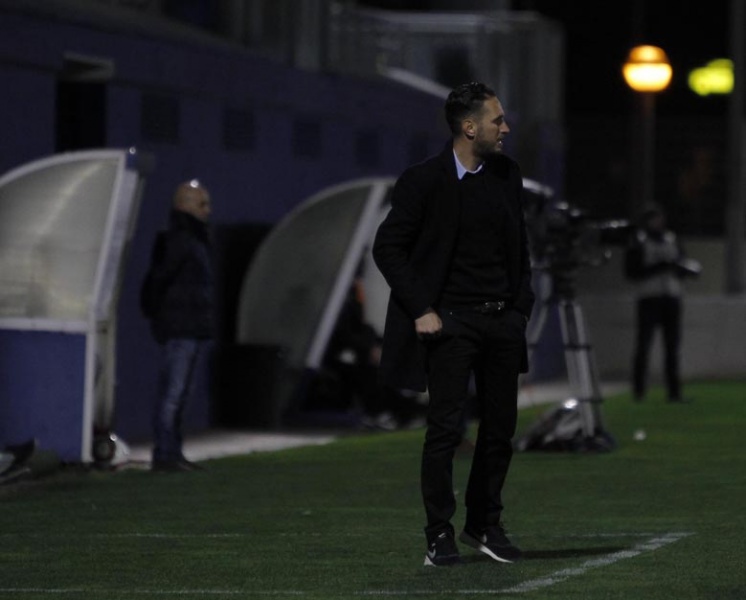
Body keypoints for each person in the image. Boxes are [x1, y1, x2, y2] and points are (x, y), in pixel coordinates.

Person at [372, 82, 534, 567]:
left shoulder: (507, 174)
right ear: (469, 127)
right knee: (444, 431)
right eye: (496, 120)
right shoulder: (423, 180)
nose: (505, 128)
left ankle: (484, 525)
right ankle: (438, 533)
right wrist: (423, 308)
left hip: (502, 322)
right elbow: (388, 248)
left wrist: (520, 309)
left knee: (499, 431)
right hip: (451, 324)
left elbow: (520, 247)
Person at [140, 180, 214, 472]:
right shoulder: (180, 241)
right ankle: (165, 454)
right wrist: (160, 316)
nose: (208, 210)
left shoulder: (192, 239)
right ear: (184, 205)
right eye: (201, 204)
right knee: (173, 394)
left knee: (180, 395)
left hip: (190, 326)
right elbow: (158, 280)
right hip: (181, 328)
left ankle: (173, 451)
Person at [624, 203, 699, 403]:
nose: (658, 222)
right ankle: (639, 391)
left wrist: (684, 269)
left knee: (672, 347)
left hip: (671, 297)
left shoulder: (671, 239)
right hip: (649, 298)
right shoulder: (639, 241)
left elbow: (681, 263)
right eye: (654, 219)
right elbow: (632, 272)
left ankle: (674, 392)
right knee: (643, 345)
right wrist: (660, 266)